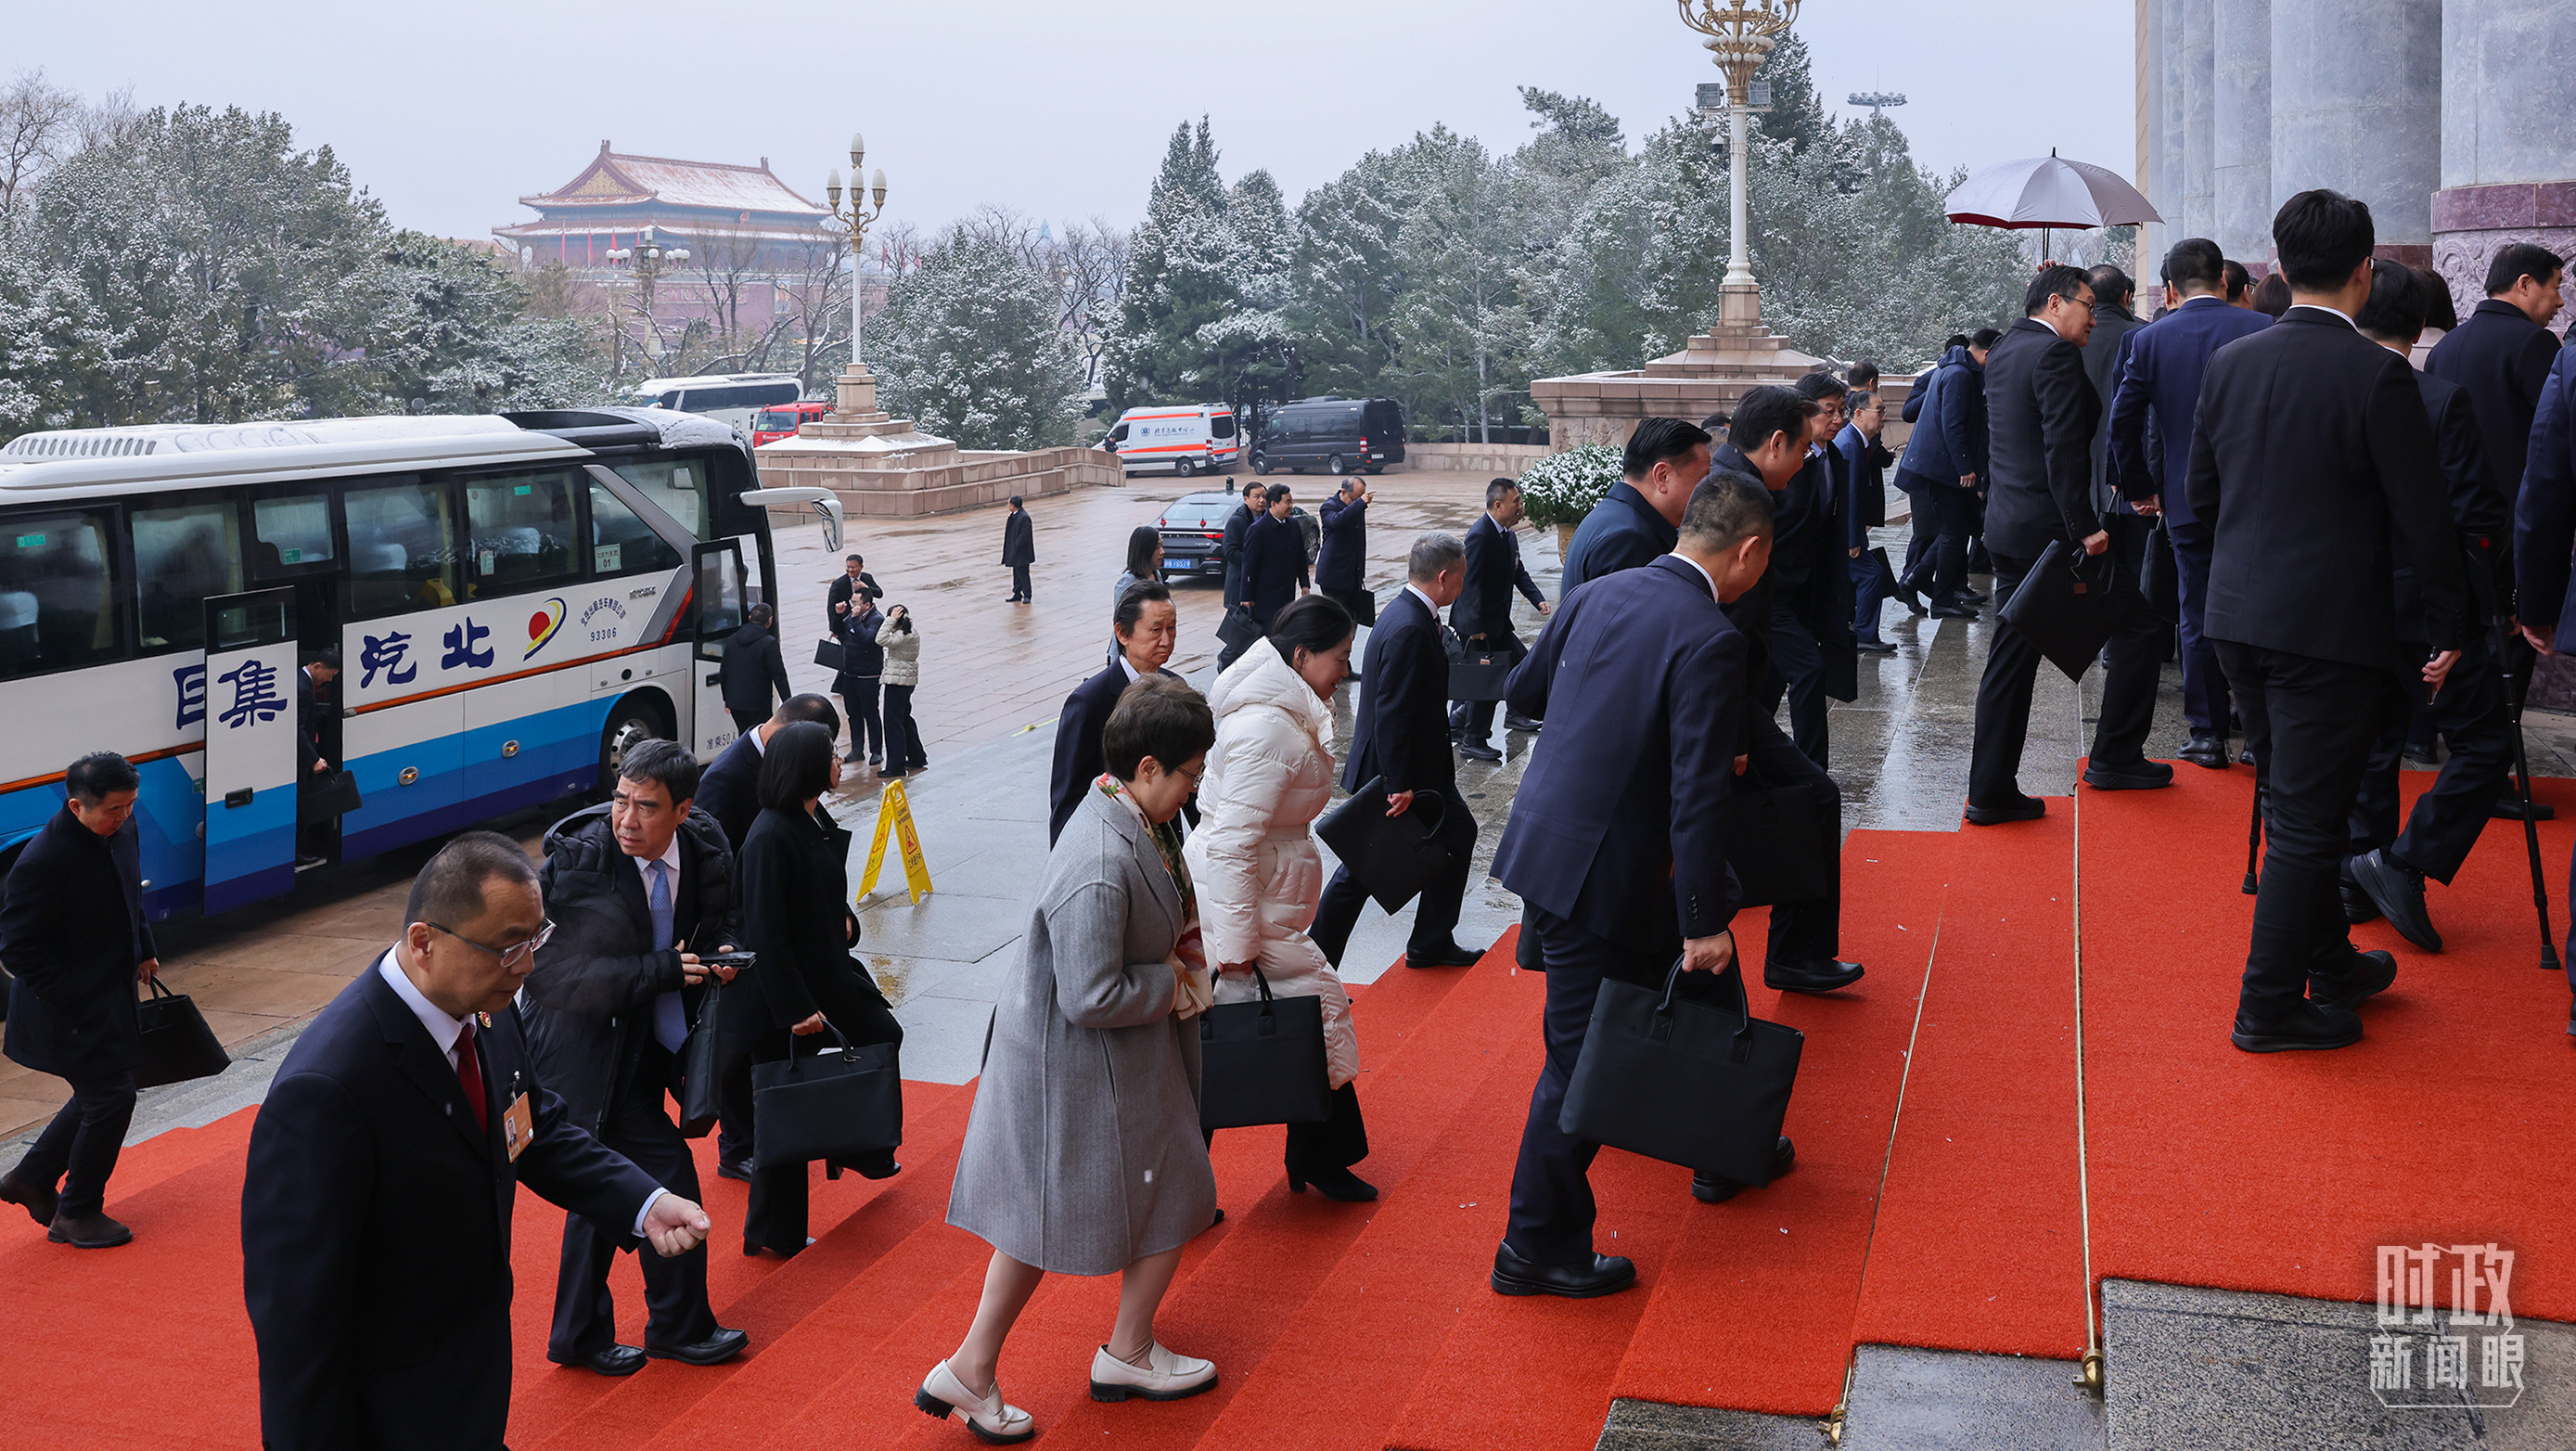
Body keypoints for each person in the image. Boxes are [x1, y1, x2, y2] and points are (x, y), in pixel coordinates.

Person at [242, 832, 711, 1449]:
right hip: (391, 1414)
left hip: (470, 1384)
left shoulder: (487, 1007)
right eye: (507, 947)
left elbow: (532, 1130)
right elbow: (296, 1321)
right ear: (423, 943)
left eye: (536, 940)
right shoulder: (326, 1089)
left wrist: (644, 1203)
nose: (527, 966)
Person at [1490, 472, 1780, 1299]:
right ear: (1749, 551)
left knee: (1702, 992)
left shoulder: (1596, 593)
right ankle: (1532, 1245)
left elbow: (1523, 691)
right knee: (1580, 1060)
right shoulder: (1708, 636)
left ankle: (1725, 1141)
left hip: (1557, 846)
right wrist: (1703, 920)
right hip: (1606, 872)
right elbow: (1697, 795)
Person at [2190, 188, 2466, 1054]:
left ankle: (2329, 962)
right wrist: (2453, 624)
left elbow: (2198, 499)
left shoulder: (2230, 363)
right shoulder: (2377, 373)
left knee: (2291, 801)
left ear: (2278, 266)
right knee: (2309, 821)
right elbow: (2424, 519)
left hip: (2237, 616)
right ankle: (2267, 1006)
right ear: (2364, 271)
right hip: (2326, 630)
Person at [925, 676, 1222, 1438]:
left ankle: (975, 1368)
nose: (1194, 788)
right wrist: (1175, 981)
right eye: (1189, 773)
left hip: (1087, 1064)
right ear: (1147, 767)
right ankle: (1123, 1352)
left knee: (1038, 1221)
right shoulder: (1101, 855)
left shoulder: (1120, 816)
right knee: (1176, 1189)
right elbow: (1090, 995)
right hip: (1088, 1068)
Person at [522, 739, 750, 1376]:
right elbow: (550, 976)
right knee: (663, 1179)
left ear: (683, 809)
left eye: (646, 807)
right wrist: (658, 971)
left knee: (603, 1193)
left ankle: (579, 1334)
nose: (626, 820)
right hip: (586, 1054)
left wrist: (724, 951)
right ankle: (678, 1326)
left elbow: (723, 919)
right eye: (620, 800)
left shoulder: (705, 848)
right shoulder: (578, 861)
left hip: (652, 1049)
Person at [2340, 261, 2516, 953]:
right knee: (2486, 741)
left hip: (2347, 600)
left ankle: (2360, 870)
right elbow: (2475, 519)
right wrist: (2480, 611)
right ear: (2418, 326)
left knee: (2373, 739)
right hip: (2424, 602)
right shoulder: (2439, 400)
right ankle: (2399, 861)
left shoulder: (2329, 391)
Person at [1185, 595, 1377, 1201]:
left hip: (1260, 895)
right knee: (1309, 1013)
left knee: (1286, 1019)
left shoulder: (1283, 713)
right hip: (1246, 900)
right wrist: (1237, 948)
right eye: (1339, 656)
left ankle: (1312, 1159)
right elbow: (1231, 845)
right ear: (1301, 656)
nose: (1344, 669)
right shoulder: (1266, 728)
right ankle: (1314, 1159)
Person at [1967, 264, 2172, 824]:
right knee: (2141, 626)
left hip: (2008, 526)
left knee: (2010, 660)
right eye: (2087, 306)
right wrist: (2085, 527)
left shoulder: (2006, 347)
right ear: (2056, 304)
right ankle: (2115, 757)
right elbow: (2061, 450)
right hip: (2050, 537)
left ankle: (1991, 788)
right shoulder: (2053, 353)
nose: (2094, 318)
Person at [1705, 388, 1869, 997]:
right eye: (1801, 449)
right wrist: (1733, 733)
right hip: (1720, 699)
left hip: (1737, 689)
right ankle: (1794, 953)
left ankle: (1793, 951)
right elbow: (1720, 625)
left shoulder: (1738, 481)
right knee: (1813, 795)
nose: (1806, 460)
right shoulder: (1738, 496)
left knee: (1797, 796)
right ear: (1775, 443)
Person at [735, 721, 904, 1255]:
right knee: (784, 1111)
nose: (839, 762)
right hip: (786, 996)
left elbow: (820, 886)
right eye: (830, 755)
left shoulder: (811, 817)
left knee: (883, 1034)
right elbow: (766, 934)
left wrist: (843, 917)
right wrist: (796, 1009)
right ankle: (774, 1233)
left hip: (826, 974)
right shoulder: (769, 836)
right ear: (806, 767)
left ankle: (858, 1144)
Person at [2110, 238, 2276, 769]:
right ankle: (2258, 732)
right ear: (2224, 280)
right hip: (2258, 497)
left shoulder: (2150, 340)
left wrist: (2141, 486)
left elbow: (2122, 422)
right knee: (2260, 608)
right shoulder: (2263, 327)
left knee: (2196, 610)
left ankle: (2207, 732)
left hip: (2183, 497)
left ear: (2169, 289)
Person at [0, 753, 159, 1248]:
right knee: (112, 1097)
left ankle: (29, 1179)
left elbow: (130, 893)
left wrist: (145, 949)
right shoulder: (43, 861)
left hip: (110, 994)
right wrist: (74, 998)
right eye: (114, 809)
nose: (124, 817)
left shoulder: (122, 830)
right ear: (76, 806)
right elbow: (17, 949)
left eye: (131, 805)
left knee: (103, 1093)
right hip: (65, 1012)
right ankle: (77, 1212)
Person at [1307, 534, 1484, 973]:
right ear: (1443, 577)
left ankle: (1430, 940)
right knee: (1360, 871)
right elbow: (1393, 710)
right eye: (1461, 577)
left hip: (1415, 769)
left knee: (1454, 835)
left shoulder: (1407, 613)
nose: (1463, 586)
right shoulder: (1409, 626)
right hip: (1401, 773)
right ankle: (1316, 967)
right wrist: (1399, 783)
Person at [688, 692, 840, 1179]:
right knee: (742, 1041)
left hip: (772, 922)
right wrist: (723, 938)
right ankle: (738, 1146)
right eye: (827, 750)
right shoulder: (727, 778)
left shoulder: (790, 778)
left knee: (763, 1042)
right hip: (736, 932)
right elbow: (705, 855)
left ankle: (778, 1137)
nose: (833, 761)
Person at [2427, 242, 2566, 518]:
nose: (2560, 301)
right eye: (2556, 286)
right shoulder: (2535, 342)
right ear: (2525, 284)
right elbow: (2557, 430)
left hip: (2453, 512)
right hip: (2516, 513)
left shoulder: (2444, 346)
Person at [1768, 373, 1860, 766]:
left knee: (1772, 680)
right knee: (1807, 670)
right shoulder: (1789, 463)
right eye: (1828, 411)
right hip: (1773, 590)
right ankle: (1812, 769)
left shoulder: (1834, 457)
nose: (1837, 419)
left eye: (1841, 410)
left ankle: (1757, 756)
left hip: (1809, 590)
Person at [1050, 581, 1186, 844]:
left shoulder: (1176, 688)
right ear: (1123, 634)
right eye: (1156, 630)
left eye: (1171, 628)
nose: (1166, 640)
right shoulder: (1089, 702)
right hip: (1113, 839)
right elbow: (1068, 798)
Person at [1449, 478, 1552, 758]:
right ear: (1498, 505)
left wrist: (1538, 599)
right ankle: (1472, 739)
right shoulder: (1480, 535)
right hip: (1478, 625)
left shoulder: (1507, 535)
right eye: (1516, 502)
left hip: (1496, 623)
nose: (1521, 507)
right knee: (1486, 680)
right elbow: (1470, 583)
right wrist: (1476, 626)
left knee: (1520, 665)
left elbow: (1518, 572)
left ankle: (1508, 714)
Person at [1892, 331, 1992, 618]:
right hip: (1943, 467)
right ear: (1987, 354)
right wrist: (1965, 467)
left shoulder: (1952, 369)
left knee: (1956, 530)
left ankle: (1917, 582)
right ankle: (1939, 597)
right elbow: (1953, 424)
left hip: (1941, 465)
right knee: (1949, 533)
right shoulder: (1958, 374)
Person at [1561, 417, 1711, 595]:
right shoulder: (1628, 539)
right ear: (1662, 476)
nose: (1707, 492)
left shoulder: (1613, 516)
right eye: (1702, 479)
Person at [696, 694, 843, 853]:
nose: (835, 760)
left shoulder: (789, 765)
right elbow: (707, 851)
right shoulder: (723, 778)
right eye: (827, 753)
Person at [1839, 390, 1897, 654]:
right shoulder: (1850, 444)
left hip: (1850, 530)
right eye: (1880, 411)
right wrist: (1852, 539)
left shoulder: (1857, 441)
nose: (1884, 417)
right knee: (1872, 574)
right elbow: (1848, 496)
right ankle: (1864, 634)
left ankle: (1858, 629)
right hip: (1846, 533)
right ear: (1859, 414)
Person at [1215, 482, 1270, 671]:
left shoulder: (1267, 518)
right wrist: (1254, 562)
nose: (1261, 500)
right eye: (1256, 497)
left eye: (1264, 496)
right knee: (1242, 630)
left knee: (1258, 631)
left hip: (1259, 586)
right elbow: (1230, 551)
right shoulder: (1237, 521)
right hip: (1240, 584)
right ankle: (1225, 660)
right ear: (1246, 499)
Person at [296, 647, 342, 867]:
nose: (329, 681)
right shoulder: (303, 690)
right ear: (317, 666)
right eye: (329, 675)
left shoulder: (300, 680)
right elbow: (298, 730)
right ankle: (297, 852)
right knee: (301, 802)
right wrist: (314, 759)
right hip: (302, 760)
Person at [1240, 484, 1311, 629]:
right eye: (1287, 502)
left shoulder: (1293, 525)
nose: (1291, 506)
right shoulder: (1258, 529)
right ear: (1273, 504)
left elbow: (1300, 557)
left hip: (1287, 592)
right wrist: (1246, 596)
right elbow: (1249, 565)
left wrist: (1304, 583)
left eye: (1291, 501)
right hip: (1265, 596)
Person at [718, 602, 793, 738]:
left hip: (735, 703)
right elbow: (779, 675)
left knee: (744, 737)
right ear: (770, 620)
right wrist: (788, 702)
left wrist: (727, 699)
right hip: (758, 704)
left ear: (750, 618)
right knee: (762, 738)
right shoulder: (768, 643)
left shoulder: (732, 639)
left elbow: (724, 671)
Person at [1316, 477, 1377, 633]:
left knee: (1352, 621)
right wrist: (1359, 503)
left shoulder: (1356, 507)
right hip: (1333, 577)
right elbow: (1336, 521)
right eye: (1355, 499)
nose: (1358, 502)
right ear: (1343, 492)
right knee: (1337, 622)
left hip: (1353, 576)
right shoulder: (1329, 506)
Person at [834, 590, 887, 769]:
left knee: (870, 713)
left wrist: (855, 619)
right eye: (851, 602)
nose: (852, 605)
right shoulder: (851, 616)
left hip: (868, 675)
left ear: (867, 605)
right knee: (853, 713)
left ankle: (876, 751)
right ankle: (856, 749)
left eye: (855, 603)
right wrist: (838, 615)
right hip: (850, 673)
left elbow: (867, 640)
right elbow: (839, 632)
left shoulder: (877, 620)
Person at [880, 604, 928, 776]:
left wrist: (889, 620)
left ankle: (895, 766)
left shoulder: (901, 635)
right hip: (906, 679)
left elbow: (880, 639)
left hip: (897, 681)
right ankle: (917, 757)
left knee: (893, 723)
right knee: (905, 719)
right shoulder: (911, 631)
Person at [1113, 525, 1163, 617]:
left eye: (1162, 546)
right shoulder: (1128, 582)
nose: (1162, 552)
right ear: (1144, 550)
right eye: (1157, 547)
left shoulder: (1156, 575)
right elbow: (1122, 617)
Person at [827, 553, 882, 633]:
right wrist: (833, 628)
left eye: (853, 567)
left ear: (861, 567)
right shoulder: (839, 583)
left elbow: (879, 594)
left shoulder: (867, 577)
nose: (850, 570)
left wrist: (866, 587)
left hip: (866, 618)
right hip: (847, 620)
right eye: (848, 567)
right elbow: (831, 607)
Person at [1001, 496, 1035, 603]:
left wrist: (1016, 546)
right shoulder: (1014, 516)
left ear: (1013, 505)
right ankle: (1017, 593)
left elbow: (1024, 536)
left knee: (1023, 574)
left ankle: (1027, 595)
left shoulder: (1024, 517)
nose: (1008, 506)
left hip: (1022, 552)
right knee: (1016, 573)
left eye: (1008, 504)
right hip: (1015, 551)